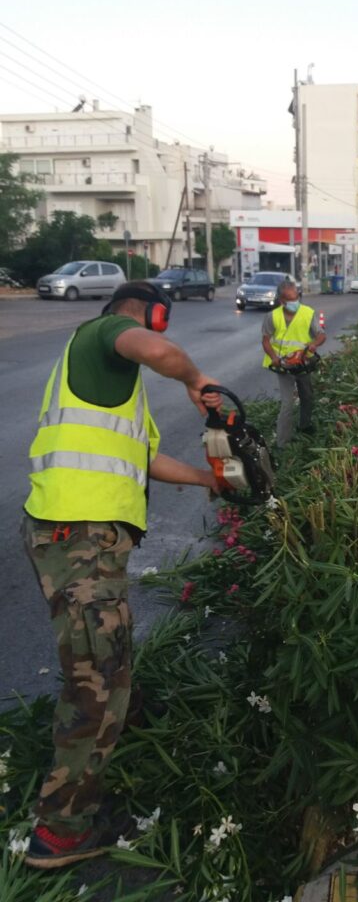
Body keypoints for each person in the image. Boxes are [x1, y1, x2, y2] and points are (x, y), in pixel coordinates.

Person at [22, 281, 223, 869]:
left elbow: (144, 460)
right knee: (95, 679)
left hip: (83, 540)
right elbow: (160, 354)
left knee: (109, 653)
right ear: (153, 312)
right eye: (163, 320)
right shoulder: (104, 333)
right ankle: (62, 830)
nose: (163, 332)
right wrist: (194, 380)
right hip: (74, 535)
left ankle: (124, 720)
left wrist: (212, 482)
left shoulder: (113, 388)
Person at [261, 280, 326, 448]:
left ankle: (305, 425)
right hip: (283, 366)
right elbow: (266, 341)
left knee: (308, 396)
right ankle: (282, 443)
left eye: (297, 297)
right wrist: (274, 357)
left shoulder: (307, 313)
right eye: (291, 300)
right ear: (282, 301)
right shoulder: (272, 317)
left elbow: (321, 335)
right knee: (287, 404)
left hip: (303, 362)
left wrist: (314, 344)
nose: (295, 302)